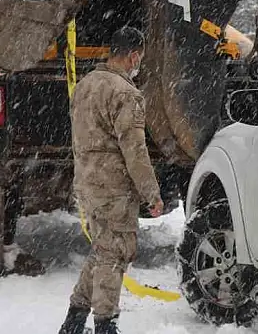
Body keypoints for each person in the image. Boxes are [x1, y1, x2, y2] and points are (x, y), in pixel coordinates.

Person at [57, 26, 163, 334]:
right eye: (139, 58)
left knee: (103, 250)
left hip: (87, 182)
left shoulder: (86, 85)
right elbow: (135, 151)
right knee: (115, 253)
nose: (138, 63)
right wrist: (151, 193)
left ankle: (74, 322)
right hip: (114, 187)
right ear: (132, 56)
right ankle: (105, 325)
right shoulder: (125, 93)